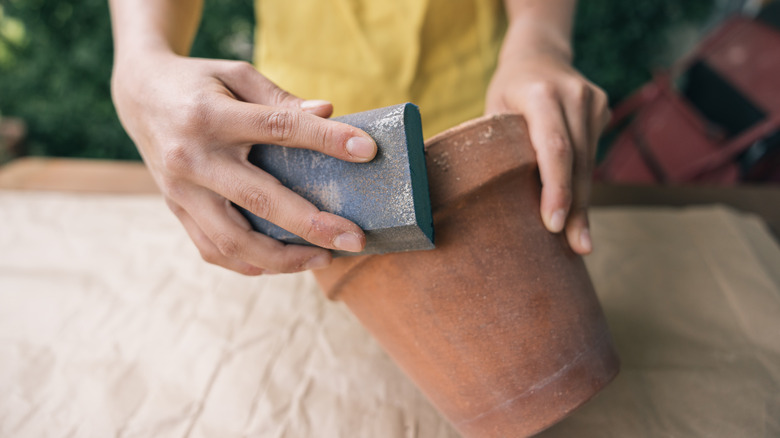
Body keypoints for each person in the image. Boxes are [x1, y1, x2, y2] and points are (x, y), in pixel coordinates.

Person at [109, 0, 609, 276]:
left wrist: (538, 42)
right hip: (288, 178)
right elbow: (144, 55)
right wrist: (140, 61)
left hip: (477, 132)